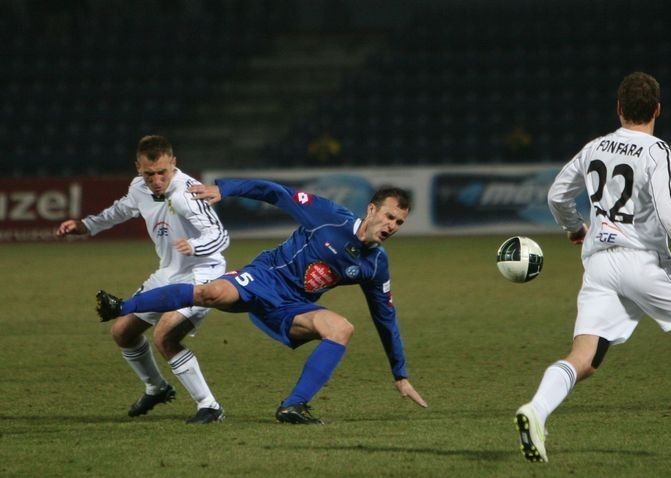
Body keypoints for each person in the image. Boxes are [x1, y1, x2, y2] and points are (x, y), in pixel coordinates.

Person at [514, 72, 671, 463]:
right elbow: (670, 213)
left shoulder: (595, 147)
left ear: (618, 109)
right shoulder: (661, 153)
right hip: (644, 262)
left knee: (583, 357)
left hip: (600, 264)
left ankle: (536, 409)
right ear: (657, 110)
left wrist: (574, 228)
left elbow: (556, 195)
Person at [95, 179, 428, 424]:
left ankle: (293, 406)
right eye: (388, 217)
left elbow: (385, 316)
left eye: (399, 222)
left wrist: (400, 373)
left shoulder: (375, 264)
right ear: (372, 209)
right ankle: (121, 307)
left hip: (293, 307)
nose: (392, 226)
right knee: (210, 293)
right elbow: (278, 193)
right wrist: (226, 188)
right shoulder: (329, 216)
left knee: (341, 328)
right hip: (264, 277)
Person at [57, 135, 230, 424]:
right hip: (168, 272)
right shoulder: (139, 188)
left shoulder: (188, 193)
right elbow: (120, 210)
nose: (157, 179)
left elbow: (220, 236)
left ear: (173, 163)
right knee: (122, 332)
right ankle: (157, 388)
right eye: (150, 174)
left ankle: (210, 406)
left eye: (163, 172)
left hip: (203, 274)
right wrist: (85, 225)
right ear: (138, 167)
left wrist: (195, 246)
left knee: (165, 335)